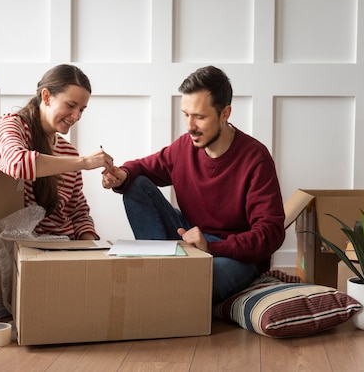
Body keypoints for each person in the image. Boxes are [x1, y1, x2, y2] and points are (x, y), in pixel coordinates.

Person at [102, 65, 285, 304]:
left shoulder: (255, 158)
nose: (190, 126)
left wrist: (211, 246)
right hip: (189, 238)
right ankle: (162, 270)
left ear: (225, 113)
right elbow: (142, 167)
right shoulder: (183, 147)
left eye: (199, 116)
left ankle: (167, 284)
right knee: (135, 185)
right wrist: (121, 175)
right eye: (186, 114)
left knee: (205, 279)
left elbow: (271, 234)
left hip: (233, 255)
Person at [0, 64, 113, 240]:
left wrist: (90, 248)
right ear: (46, 97)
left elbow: (78, 212)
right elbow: (17, 163)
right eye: (71, 105)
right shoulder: (12, 126)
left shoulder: (69, 152)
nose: (77, 116)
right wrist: (84, 162)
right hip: (26, 252)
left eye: (82, 110)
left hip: (65, 249)